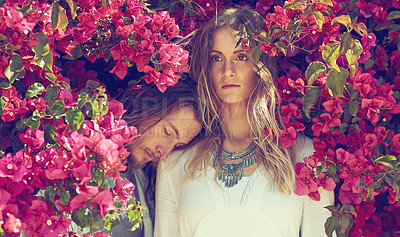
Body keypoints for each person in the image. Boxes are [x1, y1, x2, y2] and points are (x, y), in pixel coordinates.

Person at [154, 7, 334, 237]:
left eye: (241, 57)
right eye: (216, 58)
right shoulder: (176, 163)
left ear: (261, 66)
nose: (227, 71)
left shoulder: (305, 155)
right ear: (206, 69)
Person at [108, 80, 202, 237]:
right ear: (145, 107)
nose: (164, 153)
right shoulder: (71, 153)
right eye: (167, 132)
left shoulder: (146, 185)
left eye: (177, 146)